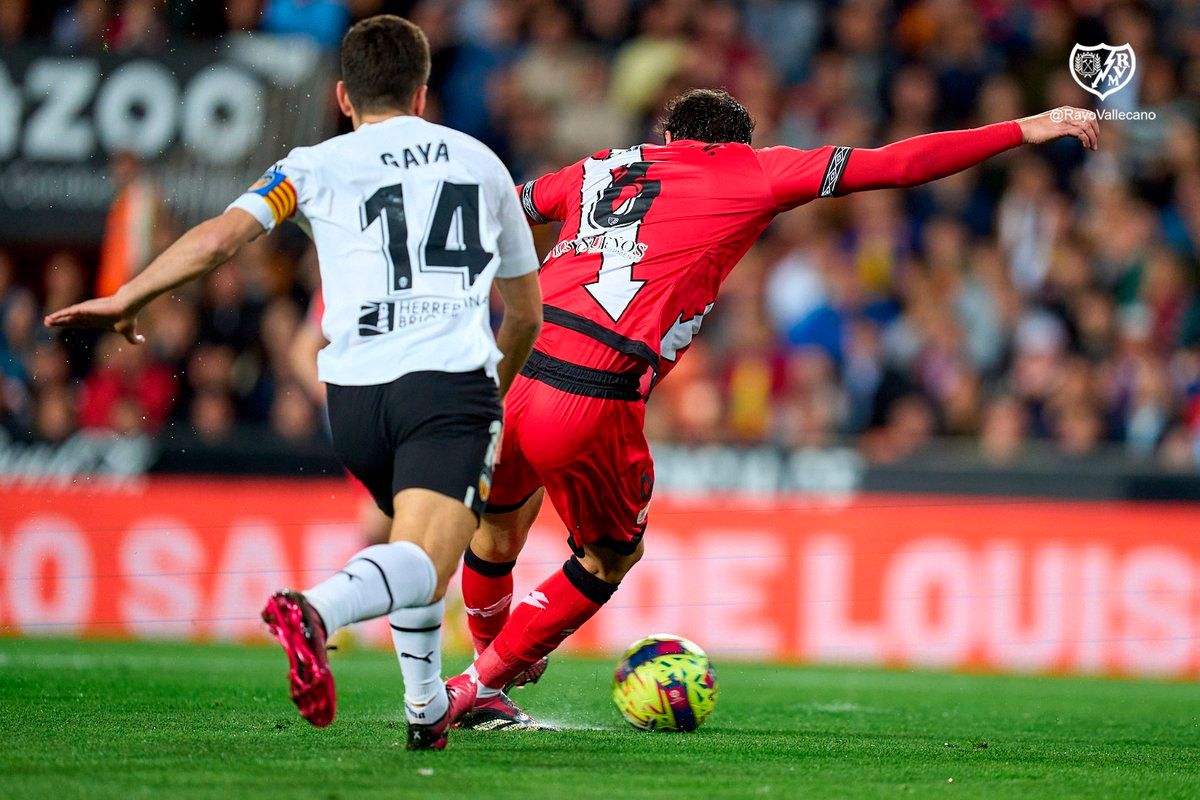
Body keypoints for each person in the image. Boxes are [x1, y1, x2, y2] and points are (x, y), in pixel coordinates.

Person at [454, 89, 1099, 726]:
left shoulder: (600, 166)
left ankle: (486, 674)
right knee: (608, 556)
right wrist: (1025, 127)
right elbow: (897, 164)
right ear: (735, 142)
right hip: (593, 387)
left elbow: (494, 214)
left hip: (511, 370)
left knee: (498, 528)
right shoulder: (751, 170)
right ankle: (474, 683)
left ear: (669, 134)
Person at [45, 15, 544, 751]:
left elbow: (219, 237)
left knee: (411, 547)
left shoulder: (309, 165)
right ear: (423, 92)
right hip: (444, 382)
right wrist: (489, 392)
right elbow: (526, 316)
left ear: (344, 96)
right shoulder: (482, 163)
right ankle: (314, 609)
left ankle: (425, 706)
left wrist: (131, 294)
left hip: (352, 399)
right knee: (427, 556)